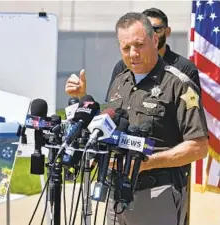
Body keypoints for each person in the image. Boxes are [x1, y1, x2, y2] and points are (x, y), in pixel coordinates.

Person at [65, 12, 208, 225]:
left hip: (155, 195)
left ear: (155, 40)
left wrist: (147, 163)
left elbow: (199, 147)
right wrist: (83, 99)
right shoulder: (120, 82)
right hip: (115, 195)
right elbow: (108, 125)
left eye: (139, 45)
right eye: (126, 48)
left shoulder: (178, 85)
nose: (133, 54)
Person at [105, 7, 201, 101]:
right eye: (147, 29)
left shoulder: (184, 68)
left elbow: (191, 110)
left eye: (156, 29)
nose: (151, 32)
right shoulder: (123, 66)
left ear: (167, 32)